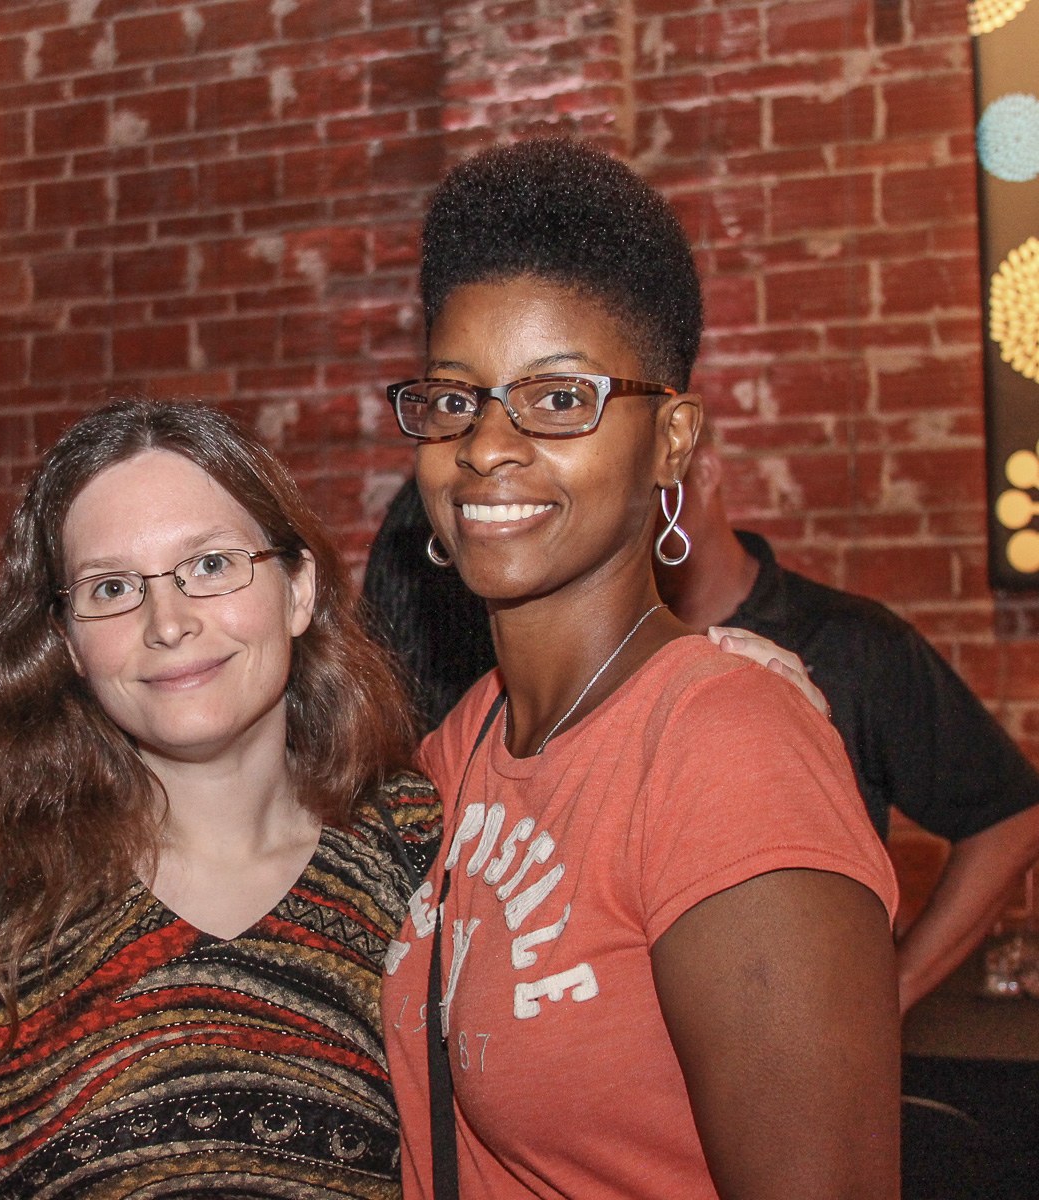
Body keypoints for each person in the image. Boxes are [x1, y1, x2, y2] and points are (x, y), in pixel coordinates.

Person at [381, 138, 900, 1199]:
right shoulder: (461, 742)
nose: (487, 445)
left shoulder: (728, 752)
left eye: (560, 400)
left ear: (671, 443)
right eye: (453, 399)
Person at [0, 398, 441, 1199]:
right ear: (71, 646)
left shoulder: (419, 855)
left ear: (296, 589)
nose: (168, 622)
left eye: (213, 565)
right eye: (112, 586)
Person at [366, 444, 1039, 1013]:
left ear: (701, 465)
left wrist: (889, 991)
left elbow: (1010, 814)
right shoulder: (545, 674)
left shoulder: (850, 645)